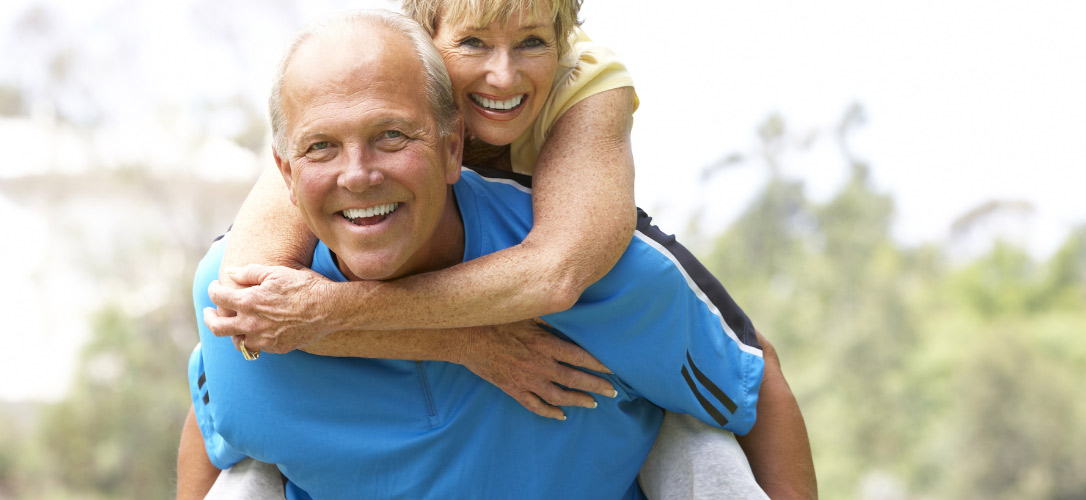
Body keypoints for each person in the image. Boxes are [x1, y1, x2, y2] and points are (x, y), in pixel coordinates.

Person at [177, 10, 814, 499]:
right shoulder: (246, 299)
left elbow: (750, 384)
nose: (358, 173)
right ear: (286, 172)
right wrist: (464, 339)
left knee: (703, 446)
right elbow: (220, 420)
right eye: (321, 149)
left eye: (391, 136)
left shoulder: (604, 257)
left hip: (555, 261)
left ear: (453, 145)